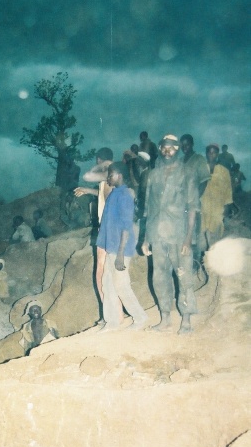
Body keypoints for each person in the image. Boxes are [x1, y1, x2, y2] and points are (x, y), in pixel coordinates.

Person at [142, 135, 199, 334]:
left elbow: (192, 207)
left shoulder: (187, 172)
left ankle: (186, 320)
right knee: (159, 277)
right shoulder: (153, 175)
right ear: (159, 148)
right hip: (157, 234)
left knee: (183, 277)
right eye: (164, 148)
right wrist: (146, 238)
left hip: (178, 233)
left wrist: (188, 238)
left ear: (178, 150)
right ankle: (165, 318)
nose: (168, 152)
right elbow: (148, 209)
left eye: (172, 148)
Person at [97, 163, 147, 331]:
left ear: (119, 175)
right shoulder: (114, 194)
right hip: (111, 247)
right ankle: (111, 322)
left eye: (110, 174)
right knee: (107, 284)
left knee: (121, 285)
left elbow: (127, 226)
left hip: (120, 249)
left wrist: (120, 254)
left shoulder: (124, 195)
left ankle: (140, 317)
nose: (108, 177)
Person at [74, 148, 114, 319]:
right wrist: (87, 190)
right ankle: (111, 314)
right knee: (105, 273)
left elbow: (88, 175)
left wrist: (104, 164)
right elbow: (104, 194)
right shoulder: (111, 179)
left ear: (99, 160)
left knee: (102, 274)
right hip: (108, 228)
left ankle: (109, 315)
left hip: (108, 228)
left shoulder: (108, 174)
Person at [200, 144, 233, 251]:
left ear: (217, 154)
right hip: (202, 207)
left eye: (214, 152)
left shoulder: (224, 171)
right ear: (206, 153)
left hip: (217, 209)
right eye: (209, 152)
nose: (211, 154)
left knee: (215, 241)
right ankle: (201, 264)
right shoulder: (201, 168)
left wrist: (227, 207)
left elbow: (228, 190)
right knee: (201, 239)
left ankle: (213, 264)